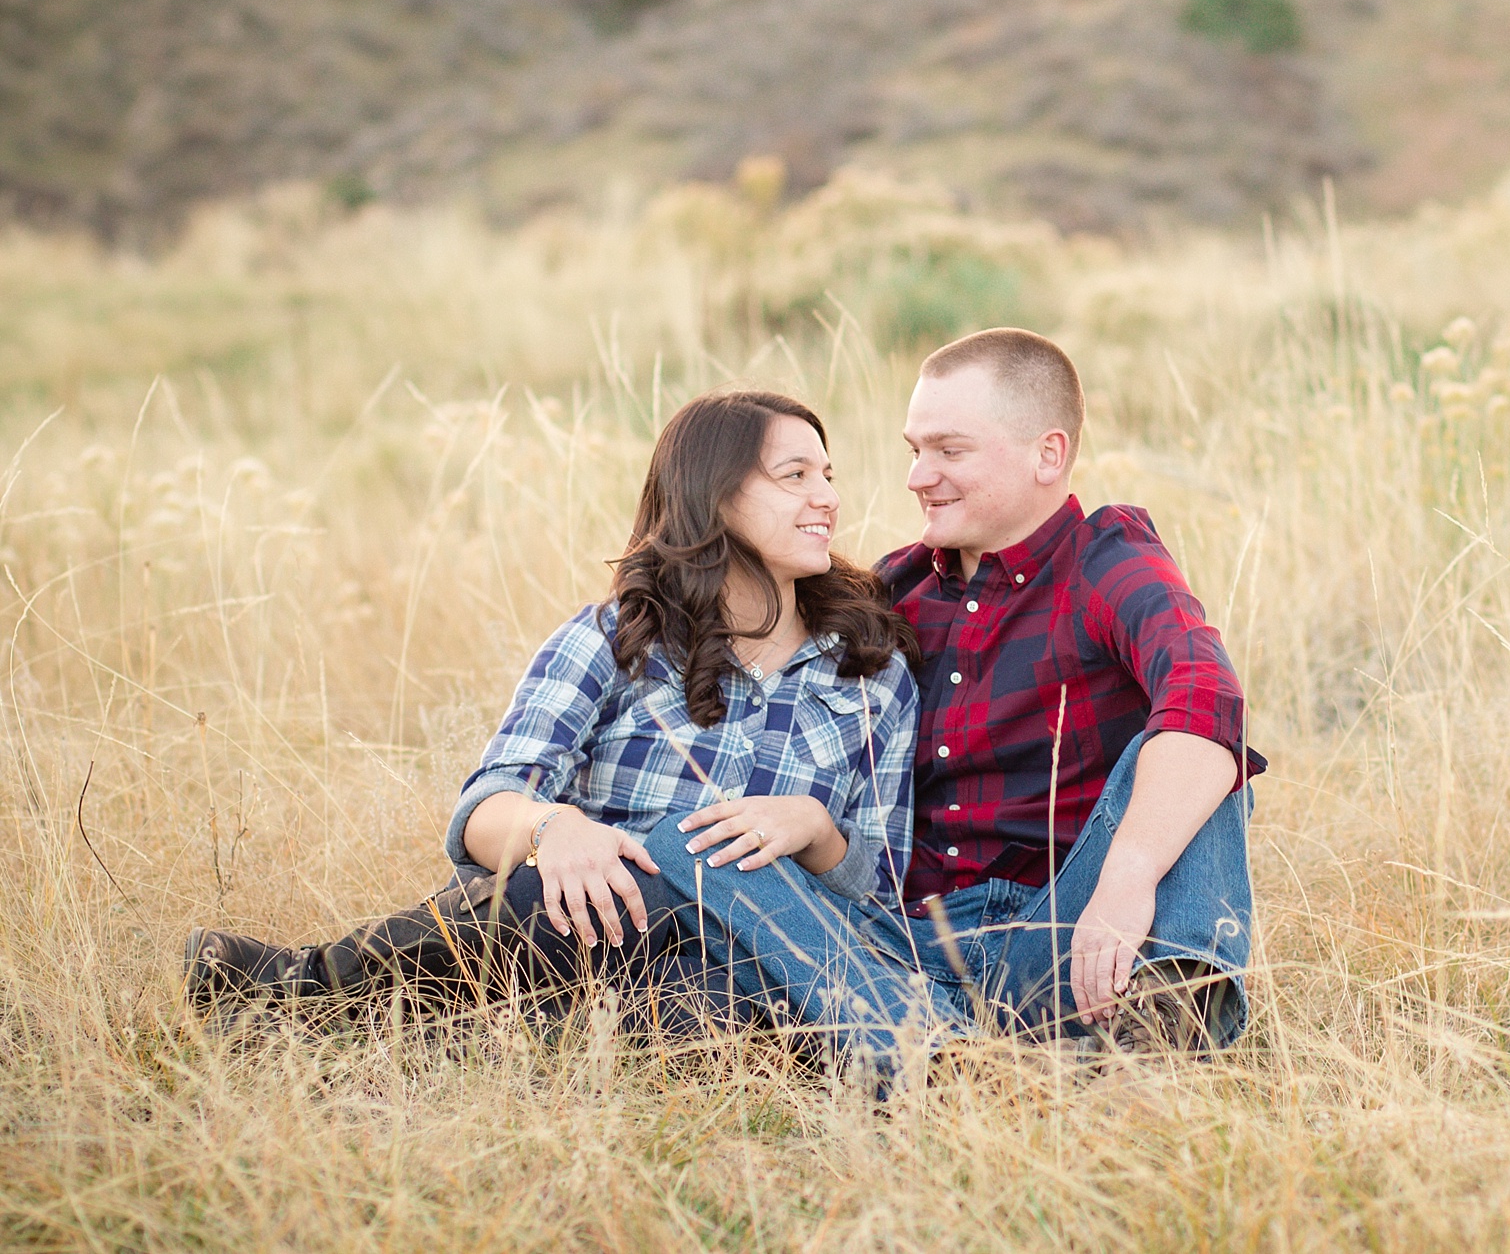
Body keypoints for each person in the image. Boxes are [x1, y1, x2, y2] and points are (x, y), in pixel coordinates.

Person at [182, 390, 920, 1030]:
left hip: (749, 952)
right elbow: (483, 810)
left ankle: (409, 1034)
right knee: (581, 899)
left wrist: (817, 828)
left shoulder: (869, 675)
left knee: (704, 1009)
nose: (827, 496)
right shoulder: (618, 636)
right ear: (714, 495)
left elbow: (883, 897)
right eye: (796, 476)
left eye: (827, 475)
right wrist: (554, 825)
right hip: (586, 918)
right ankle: (298, 987)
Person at [636, 328, 1262, 1070]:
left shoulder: (1107, 561)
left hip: (1072, 934)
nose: (918, 476)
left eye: (949, 450)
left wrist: (1126, 880)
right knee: (688, 840)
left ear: (1048, 454)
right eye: (914, 450)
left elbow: (1203, 692)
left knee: (1196, 746)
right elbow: (753, 638)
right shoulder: (893, 590)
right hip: (897, 943)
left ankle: (1168, 1013)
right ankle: (935, 1044)